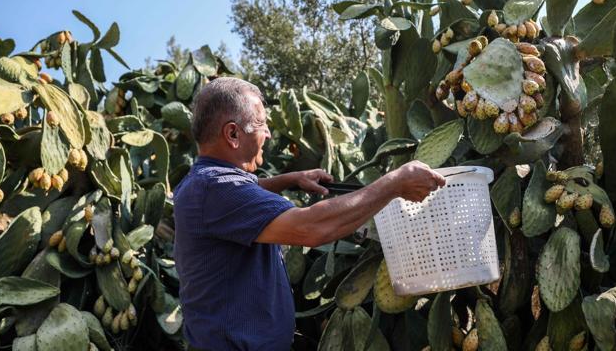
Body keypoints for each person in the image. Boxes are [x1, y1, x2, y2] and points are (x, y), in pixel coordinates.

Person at [173, 77, 445, 350]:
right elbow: (311, 229)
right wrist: (394, 184)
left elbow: (244, 193)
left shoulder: (203, 182)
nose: (267, 133)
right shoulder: (216, 188)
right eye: (260, 124)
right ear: (233, 134)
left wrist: (290, 179)